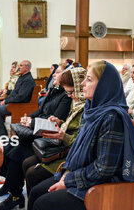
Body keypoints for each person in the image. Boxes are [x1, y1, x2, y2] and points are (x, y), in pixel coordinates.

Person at [28, 61, 134, 210]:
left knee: (41, 203)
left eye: (89, 79)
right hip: (83, 174)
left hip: (100, 187)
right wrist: (67, 173)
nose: (82, 83)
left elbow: (104, 169)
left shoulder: (112, 117)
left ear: (104, 86)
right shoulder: (93, 109)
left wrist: (69, 180)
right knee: (35, 192)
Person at [0, 63, 72, 210]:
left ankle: (15, 196)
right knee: (10, 145)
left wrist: (32, 122)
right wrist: (27, 118)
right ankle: (9, 186)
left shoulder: (66, 97)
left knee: (17, 152)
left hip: (47, 136)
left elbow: (55, 119)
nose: (53, 75)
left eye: (58, 73)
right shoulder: (54, 91)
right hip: (37, 129)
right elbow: (40, 111)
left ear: (67, 76)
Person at [23, 67, 87, 196]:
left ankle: (36, 199)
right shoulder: (77, 103)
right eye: (68, 93)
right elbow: (71, 125)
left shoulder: (87, 108)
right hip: (63, 146)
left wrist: (63, 136)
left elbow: (81, 141)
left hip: (69, 153)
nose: (70, 96)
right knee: (26, 163)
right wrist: (59, 122)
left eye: (71, 92)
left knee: (32, 173)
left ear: (81, 86)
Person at [0, 60, 35, 137]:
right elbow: (15, 92)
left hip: (20, 105)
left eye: (21, 66)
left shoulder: (28, 80)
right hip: (16, 103)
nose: (19, 67)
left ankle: (0, 135)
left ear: (27, 68)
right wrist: (6, 98)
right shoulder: (22, 77)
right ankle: (0, 131)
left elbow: (21, 97)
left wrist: (6, 101)